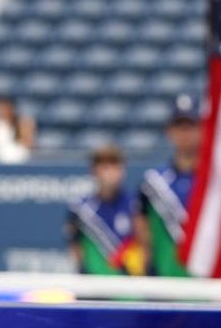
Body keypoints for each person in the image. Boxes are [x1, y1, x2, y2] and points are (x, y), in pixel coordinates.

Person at [134, 93, 202, 277]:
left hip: (207, 286)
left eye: (191, 126)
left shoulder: (215, 183)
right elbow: (142, 228)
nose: (185, 133)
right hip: (166, 285)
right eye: (180, 126)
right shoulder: (153, 184)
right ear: (170, 131)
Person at [65, 144, 143, 276]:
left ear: (123, 170)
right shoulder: (80, 209)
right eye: (105, 166)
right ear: (94, 170)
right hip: (93, 285)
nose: (110, 173)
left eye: (115, 166)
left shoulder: (135, 205)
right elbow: (76, 248)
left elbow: (143, 243)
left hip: (128, 285)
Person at [0, 96, 35, 164]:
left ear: (11, 108)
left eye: (5, 108)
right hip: (0, 161)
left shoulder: (24, 122)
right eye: (0, 109)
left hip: (22, 160)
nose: (3, 111)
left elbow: (28, 143)